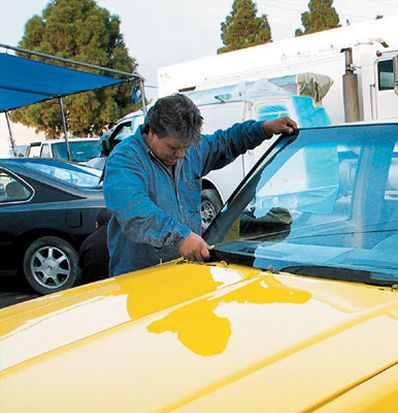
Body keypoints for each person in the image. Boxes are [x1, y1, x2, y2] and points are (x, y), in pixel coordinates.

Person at [103, 93, 297, 276]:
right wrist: (181, 237)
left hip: (190, 273)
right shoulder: (125, 160)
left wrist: (263, 129)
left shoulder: (190, 151)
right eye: (173, 148)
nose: (181, 155)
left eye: (185, 148)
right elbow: (135, 211)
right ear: (152, 132)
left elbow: (226, 142)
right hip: (141, 279)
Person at [79, 208, 111, 283]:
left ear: (97, 224)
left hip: (93, 283)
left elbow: (81, 264)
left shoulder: (88, 241)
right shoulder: (120, 239)